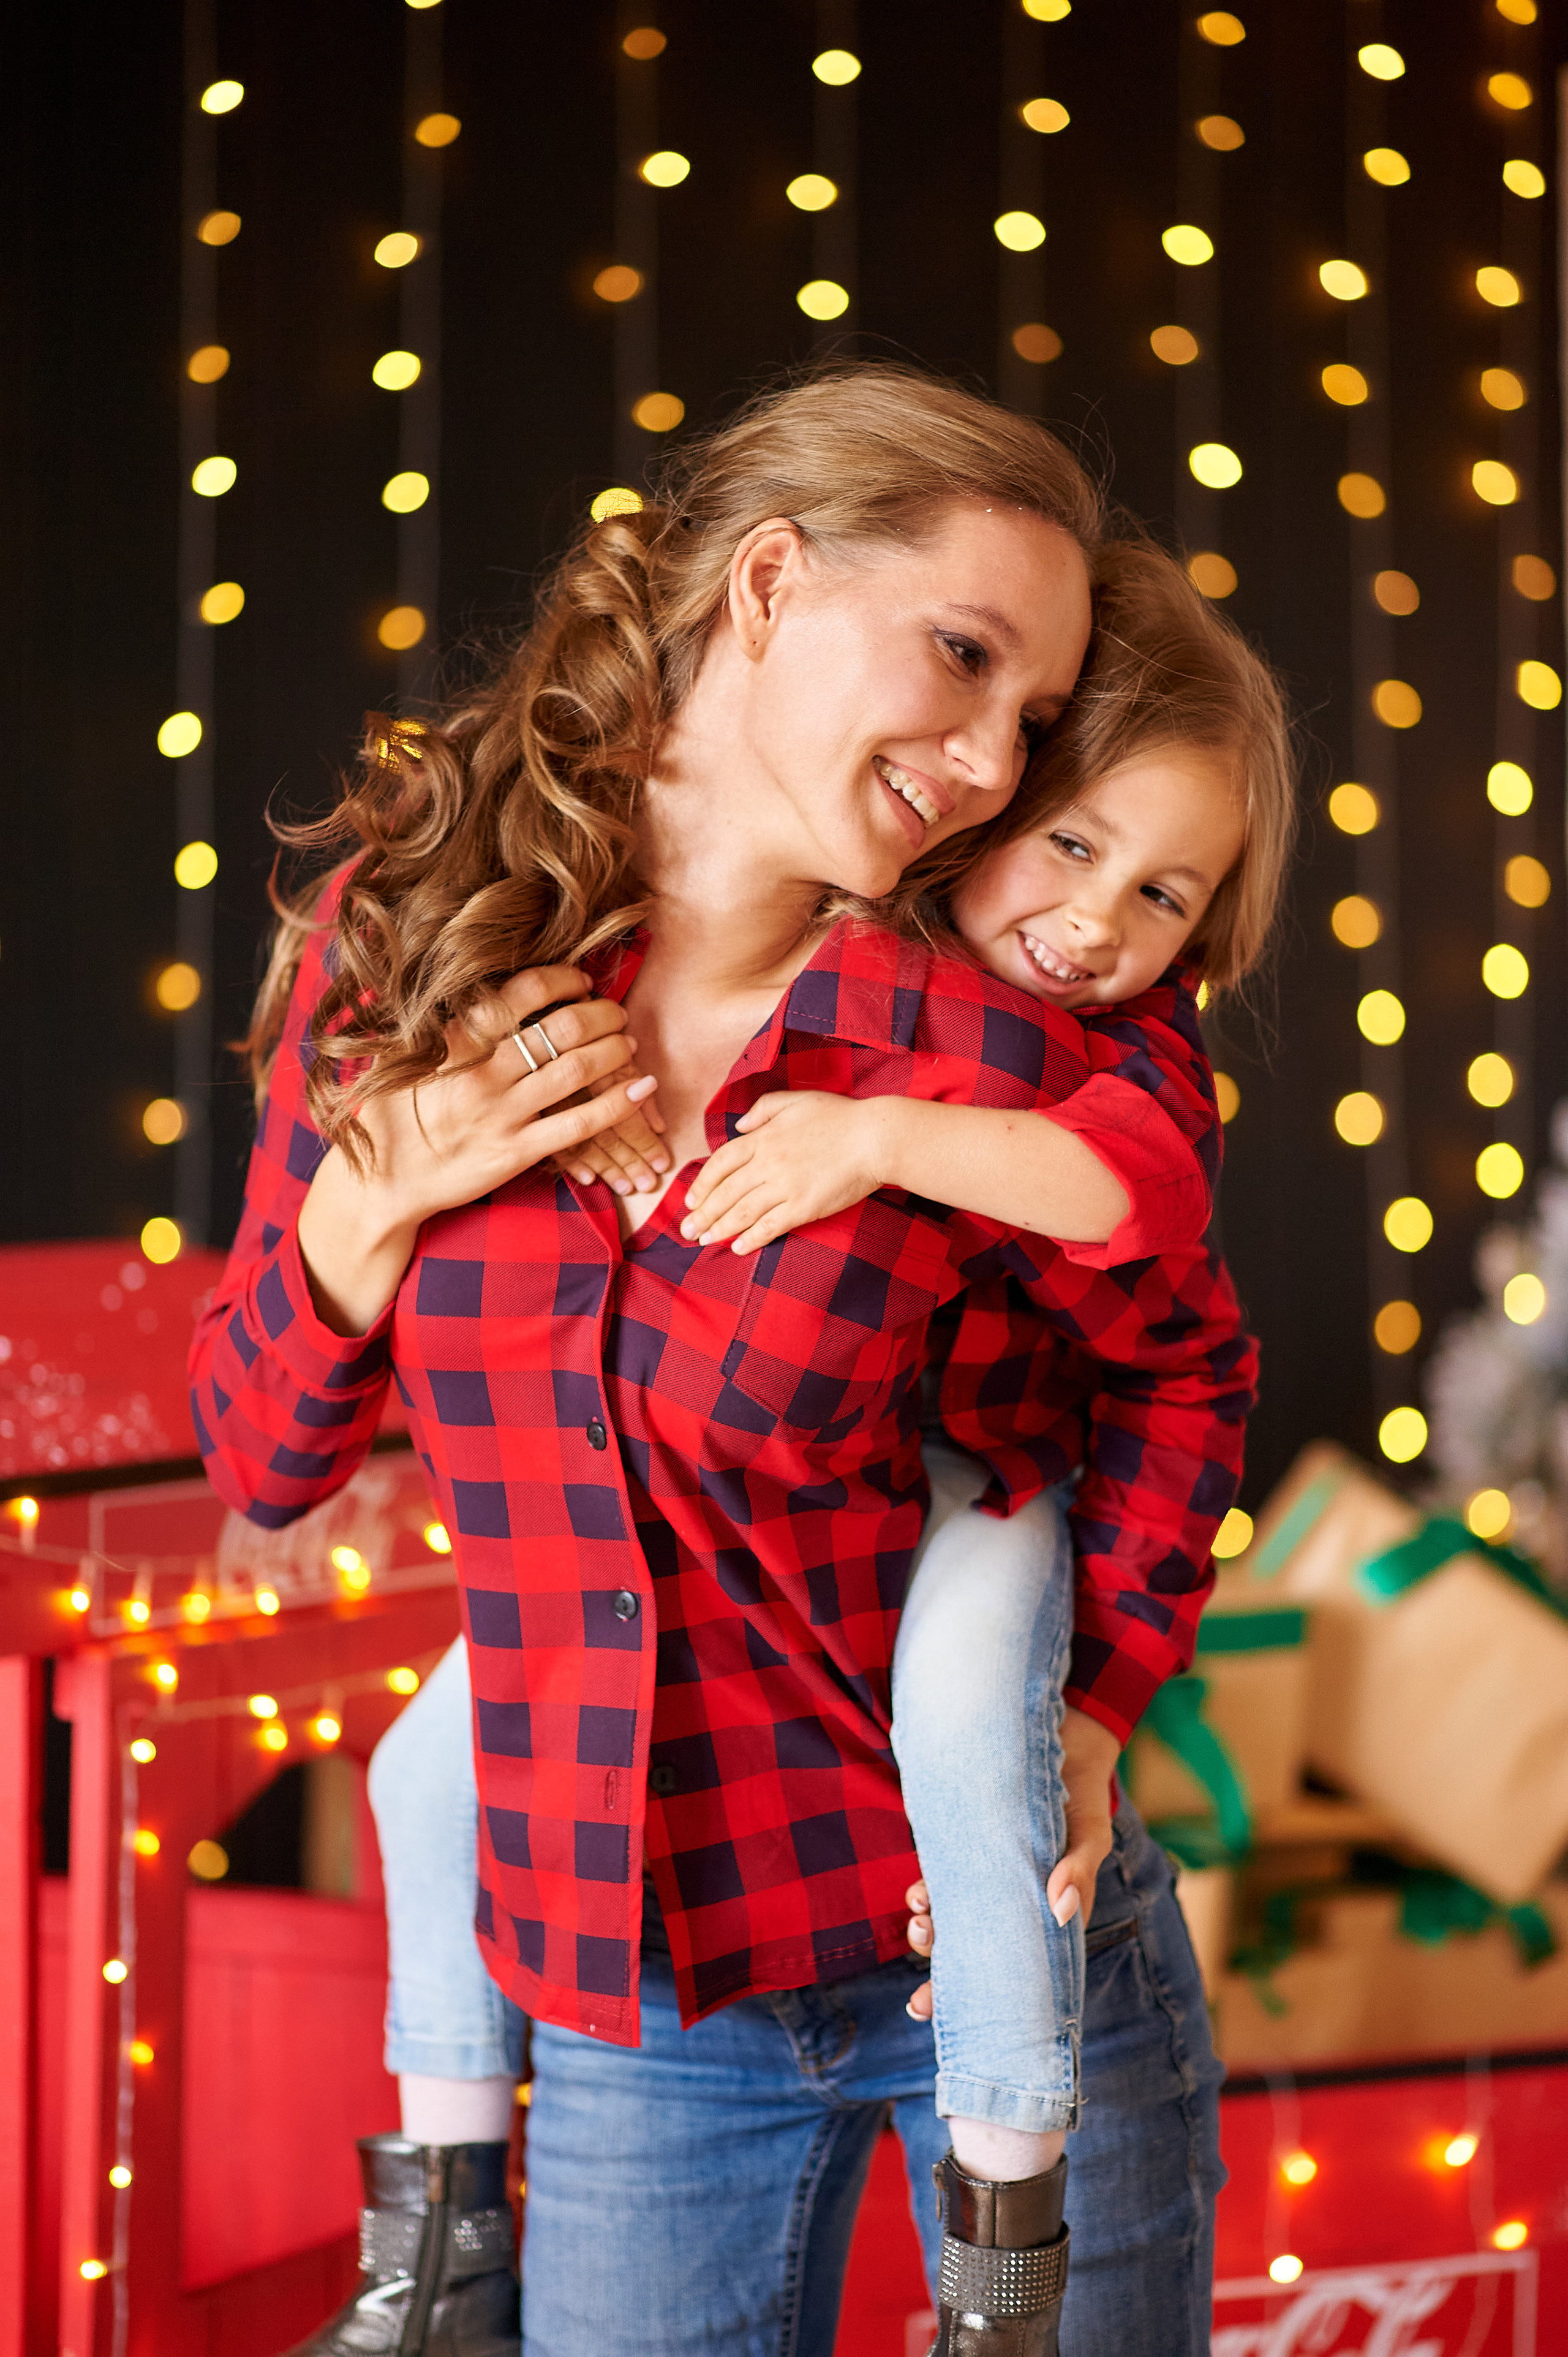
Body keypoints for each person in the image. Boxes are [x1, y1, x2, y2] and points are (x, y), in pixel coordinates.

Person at [190, 365, 1255, 2356]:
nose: (985, 759)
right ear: (767, 582)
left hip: (1010, 1965)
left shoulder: (995, 1026)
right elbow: (257, 1451)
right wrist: (373, 1202)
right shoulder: (412, 942)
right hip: (643, 2015)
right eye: (959, 655)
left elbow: (1183, 1365)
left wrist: (1097, 1706)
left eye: (1030, 718)